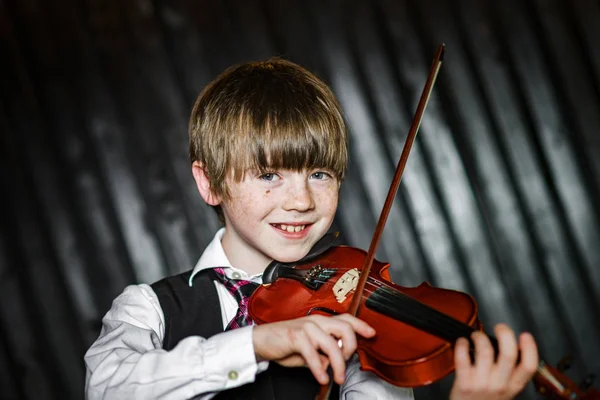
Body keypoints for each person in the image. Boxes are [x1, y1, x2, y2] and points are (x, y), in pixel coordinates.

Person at [84, 58, 539, 400]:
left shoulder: (354, 315)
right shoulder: (149, 310)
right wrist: (257, 344)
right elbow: (107, 387)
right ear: (209, 183)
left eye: (319, 174)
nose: (302, 201)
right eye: (269, 175)